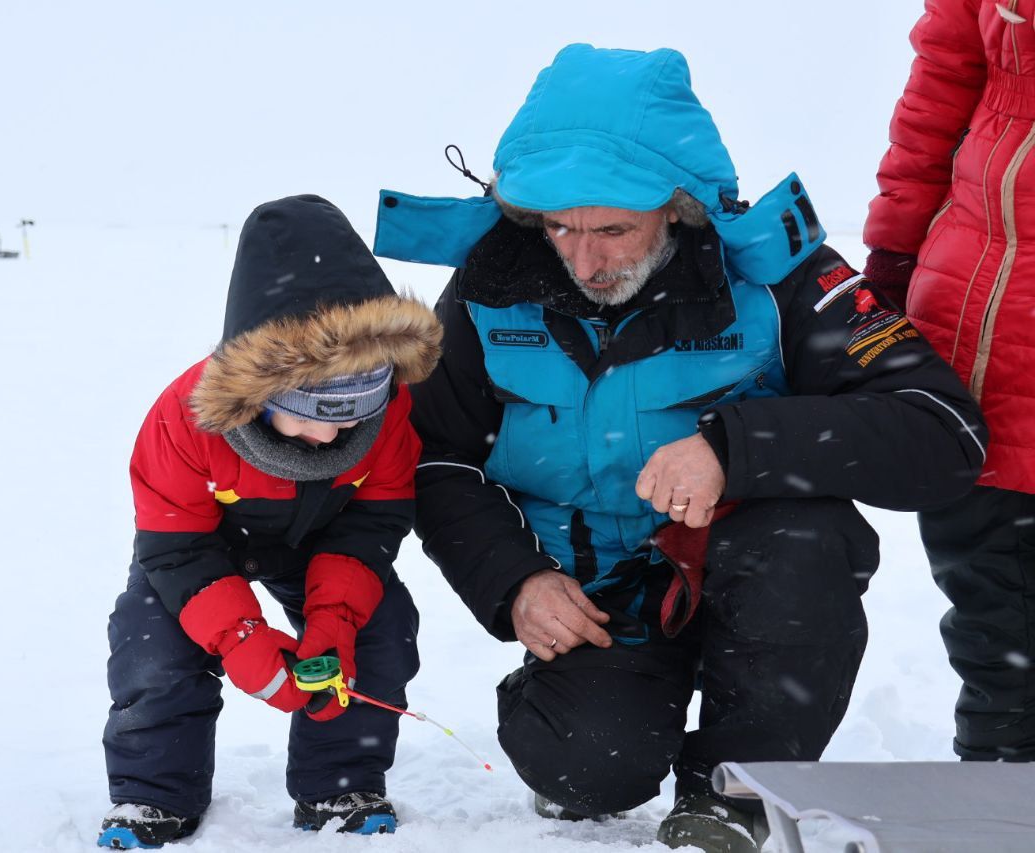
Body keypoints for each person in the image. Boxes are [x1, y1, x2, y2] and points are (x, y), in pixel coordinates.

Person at [395, 45, 988, 852]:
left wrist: (734, 446)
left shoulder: (786, 278)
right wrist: (516, 581)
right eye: (559, 226)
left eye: (612, 229)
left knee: (803, 541)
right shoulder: (487, 287)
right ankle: (595, 709)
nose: (583, 258)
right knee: (584, 766)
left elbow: (941, 432)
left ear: (678, 207)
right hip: (602, 596)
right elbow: (435, 459)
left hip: (755, 574)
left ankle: (738, 784)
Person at [98, 195, 441, 848]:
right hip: (203, 553)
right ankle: (155, 796)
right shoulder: (181, 419)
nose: (337, 423)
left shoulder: (388, 420)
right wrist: (242, 639)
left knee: (380, 628)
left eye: (361, 393)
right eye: (314, 401)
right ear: (260, 386)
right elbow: (174, 550)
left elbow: (371, 525)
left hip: (318, 543)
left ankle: (340, 782)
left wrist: (334, 618)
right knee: (153, 645)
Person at [864, 0, 1035, 763]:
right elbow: (939, 87)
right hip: (982, 312)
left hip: (987, 298)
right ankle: (1000, 781)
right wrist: (894, 249)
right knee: (992, 593)